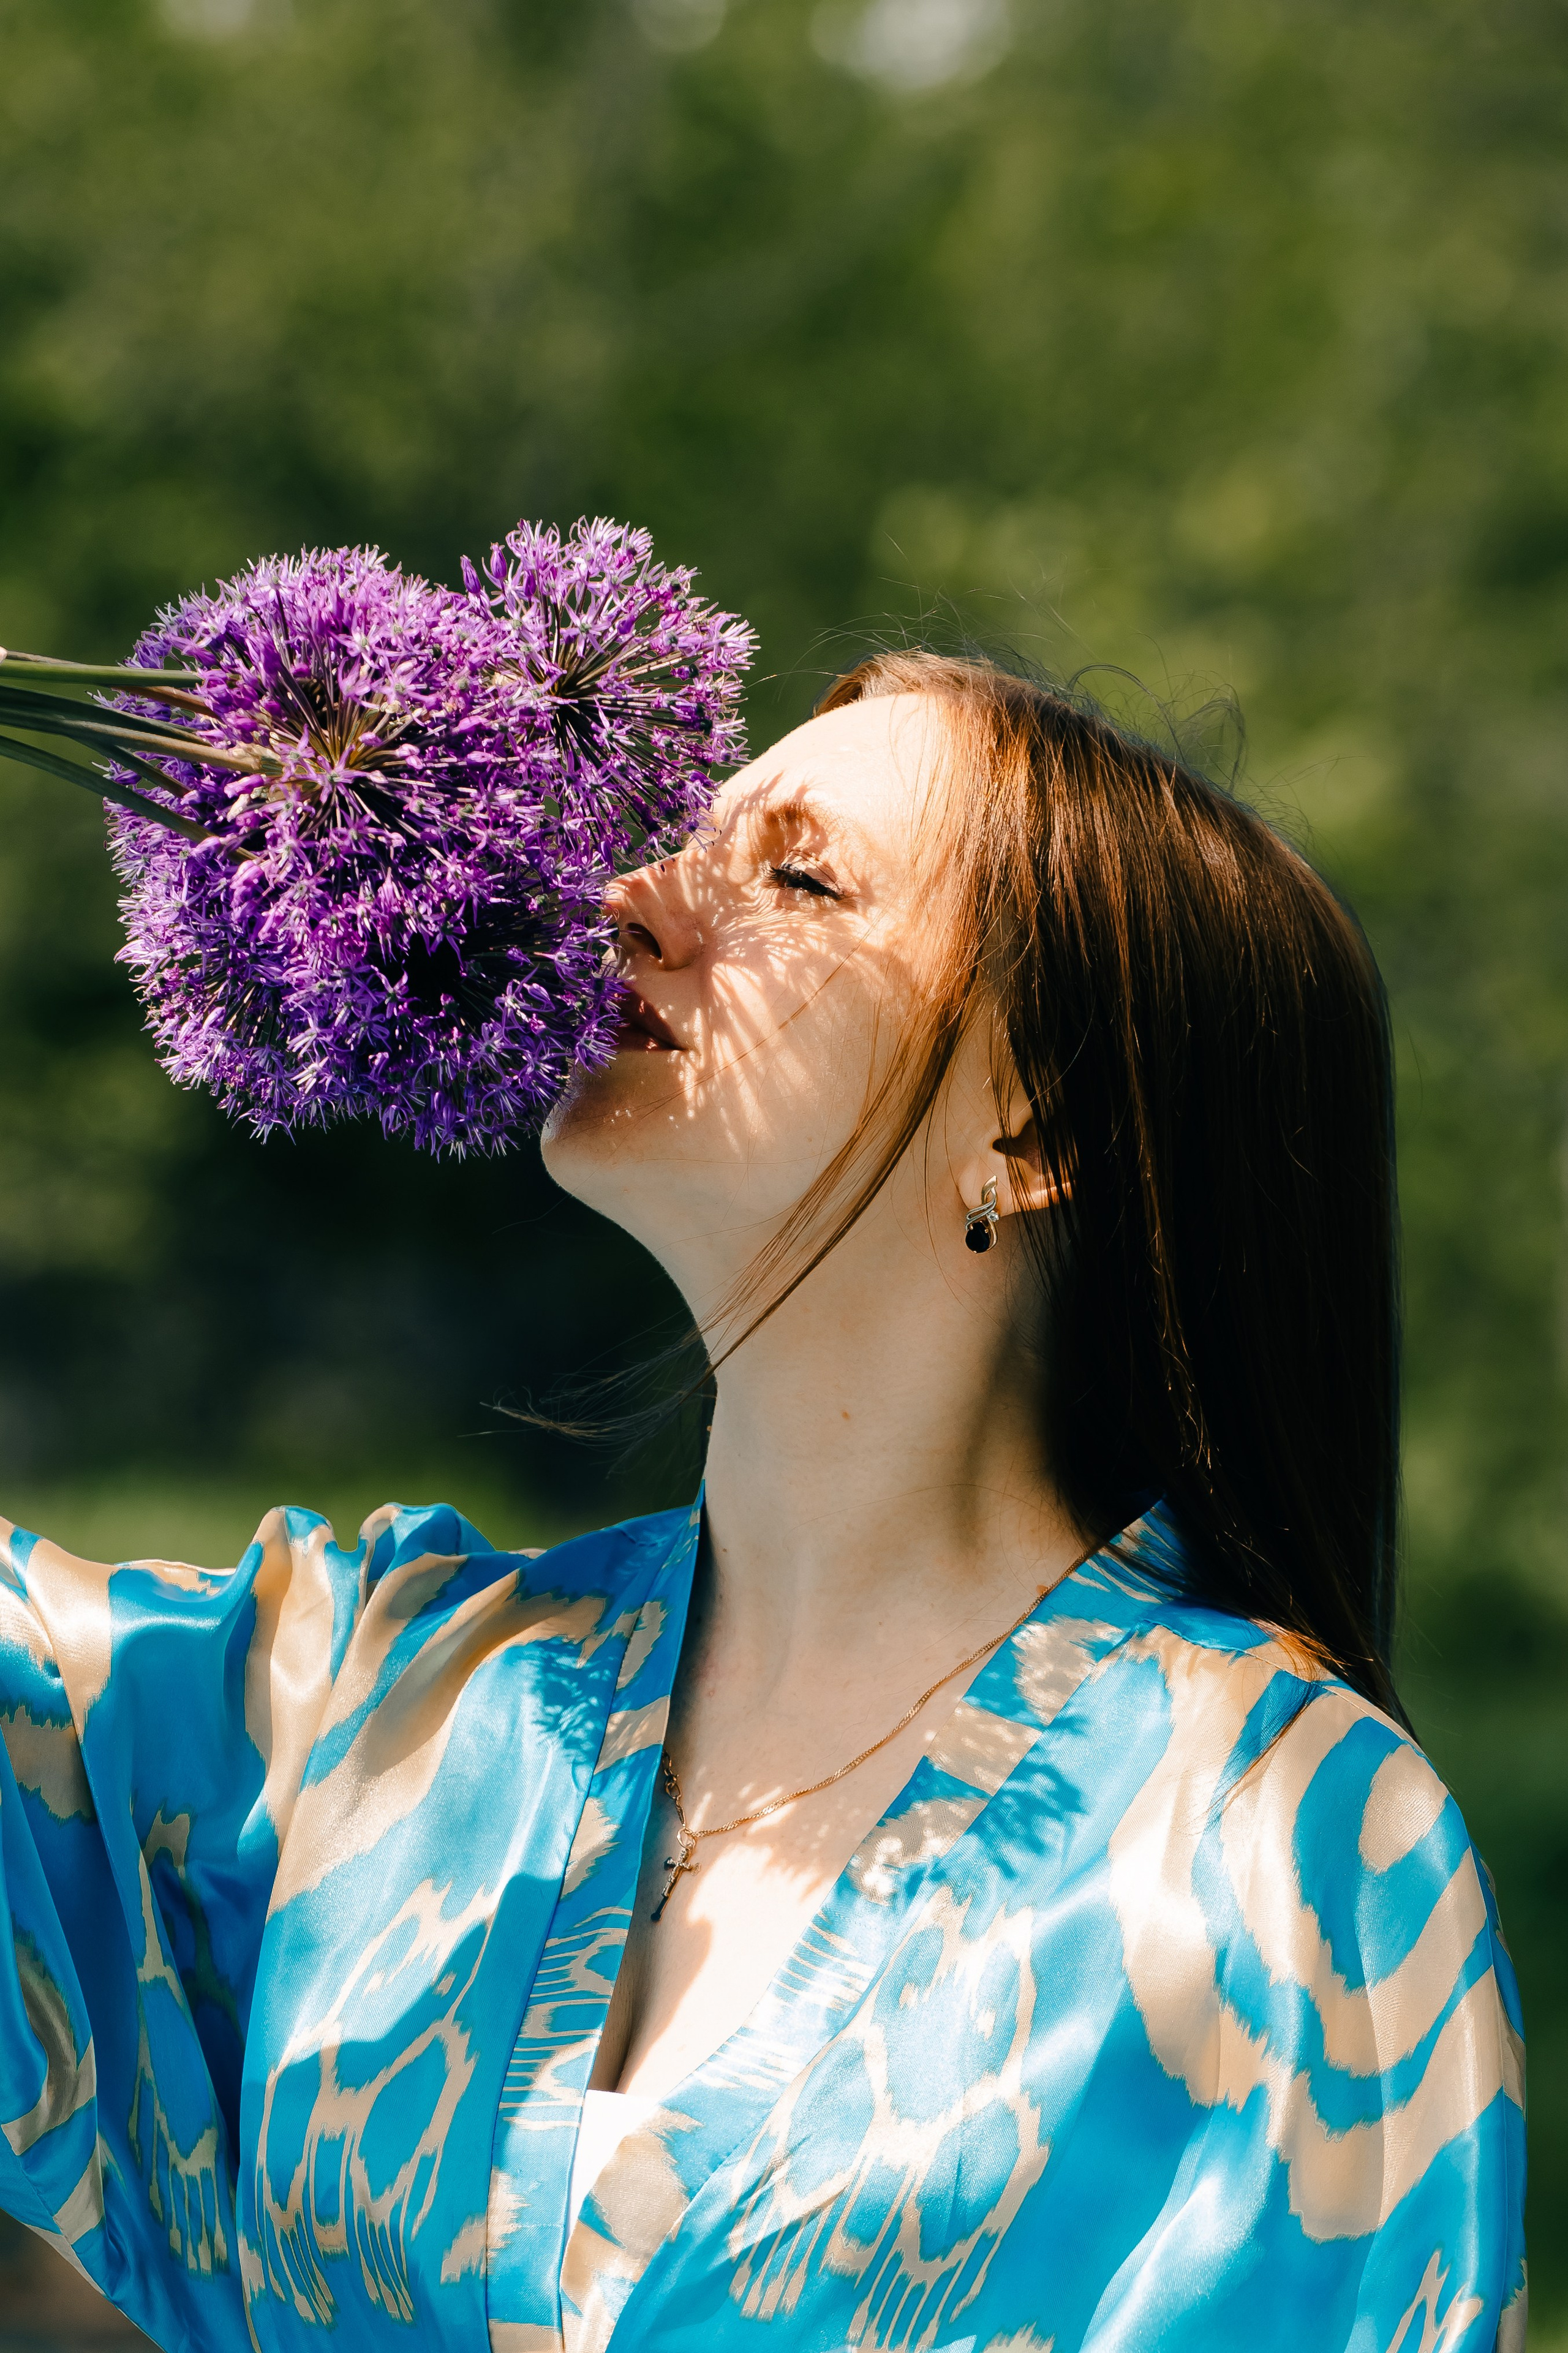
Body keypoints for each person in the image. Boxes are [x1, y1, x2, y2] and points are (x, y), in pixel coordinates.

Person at [0, 654, 1527, 2353]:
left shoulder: (1279, 1848)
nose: (626, 900)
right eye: (681, 840)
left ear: (1039, 1125)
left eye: (798, 877)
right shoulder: (373, 1702)